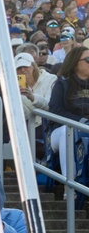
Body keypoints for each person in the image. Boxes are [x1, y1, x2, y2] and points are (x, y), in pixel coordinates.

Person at [48, 45, 89, 183]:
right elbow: (56, 110)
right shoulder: (62, 83)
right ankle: (70, 186)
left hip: (87, 131)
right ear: (75, 63)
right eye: (88, 59)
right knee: (69, 131)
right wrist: (82, 122)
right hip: (60, 132)